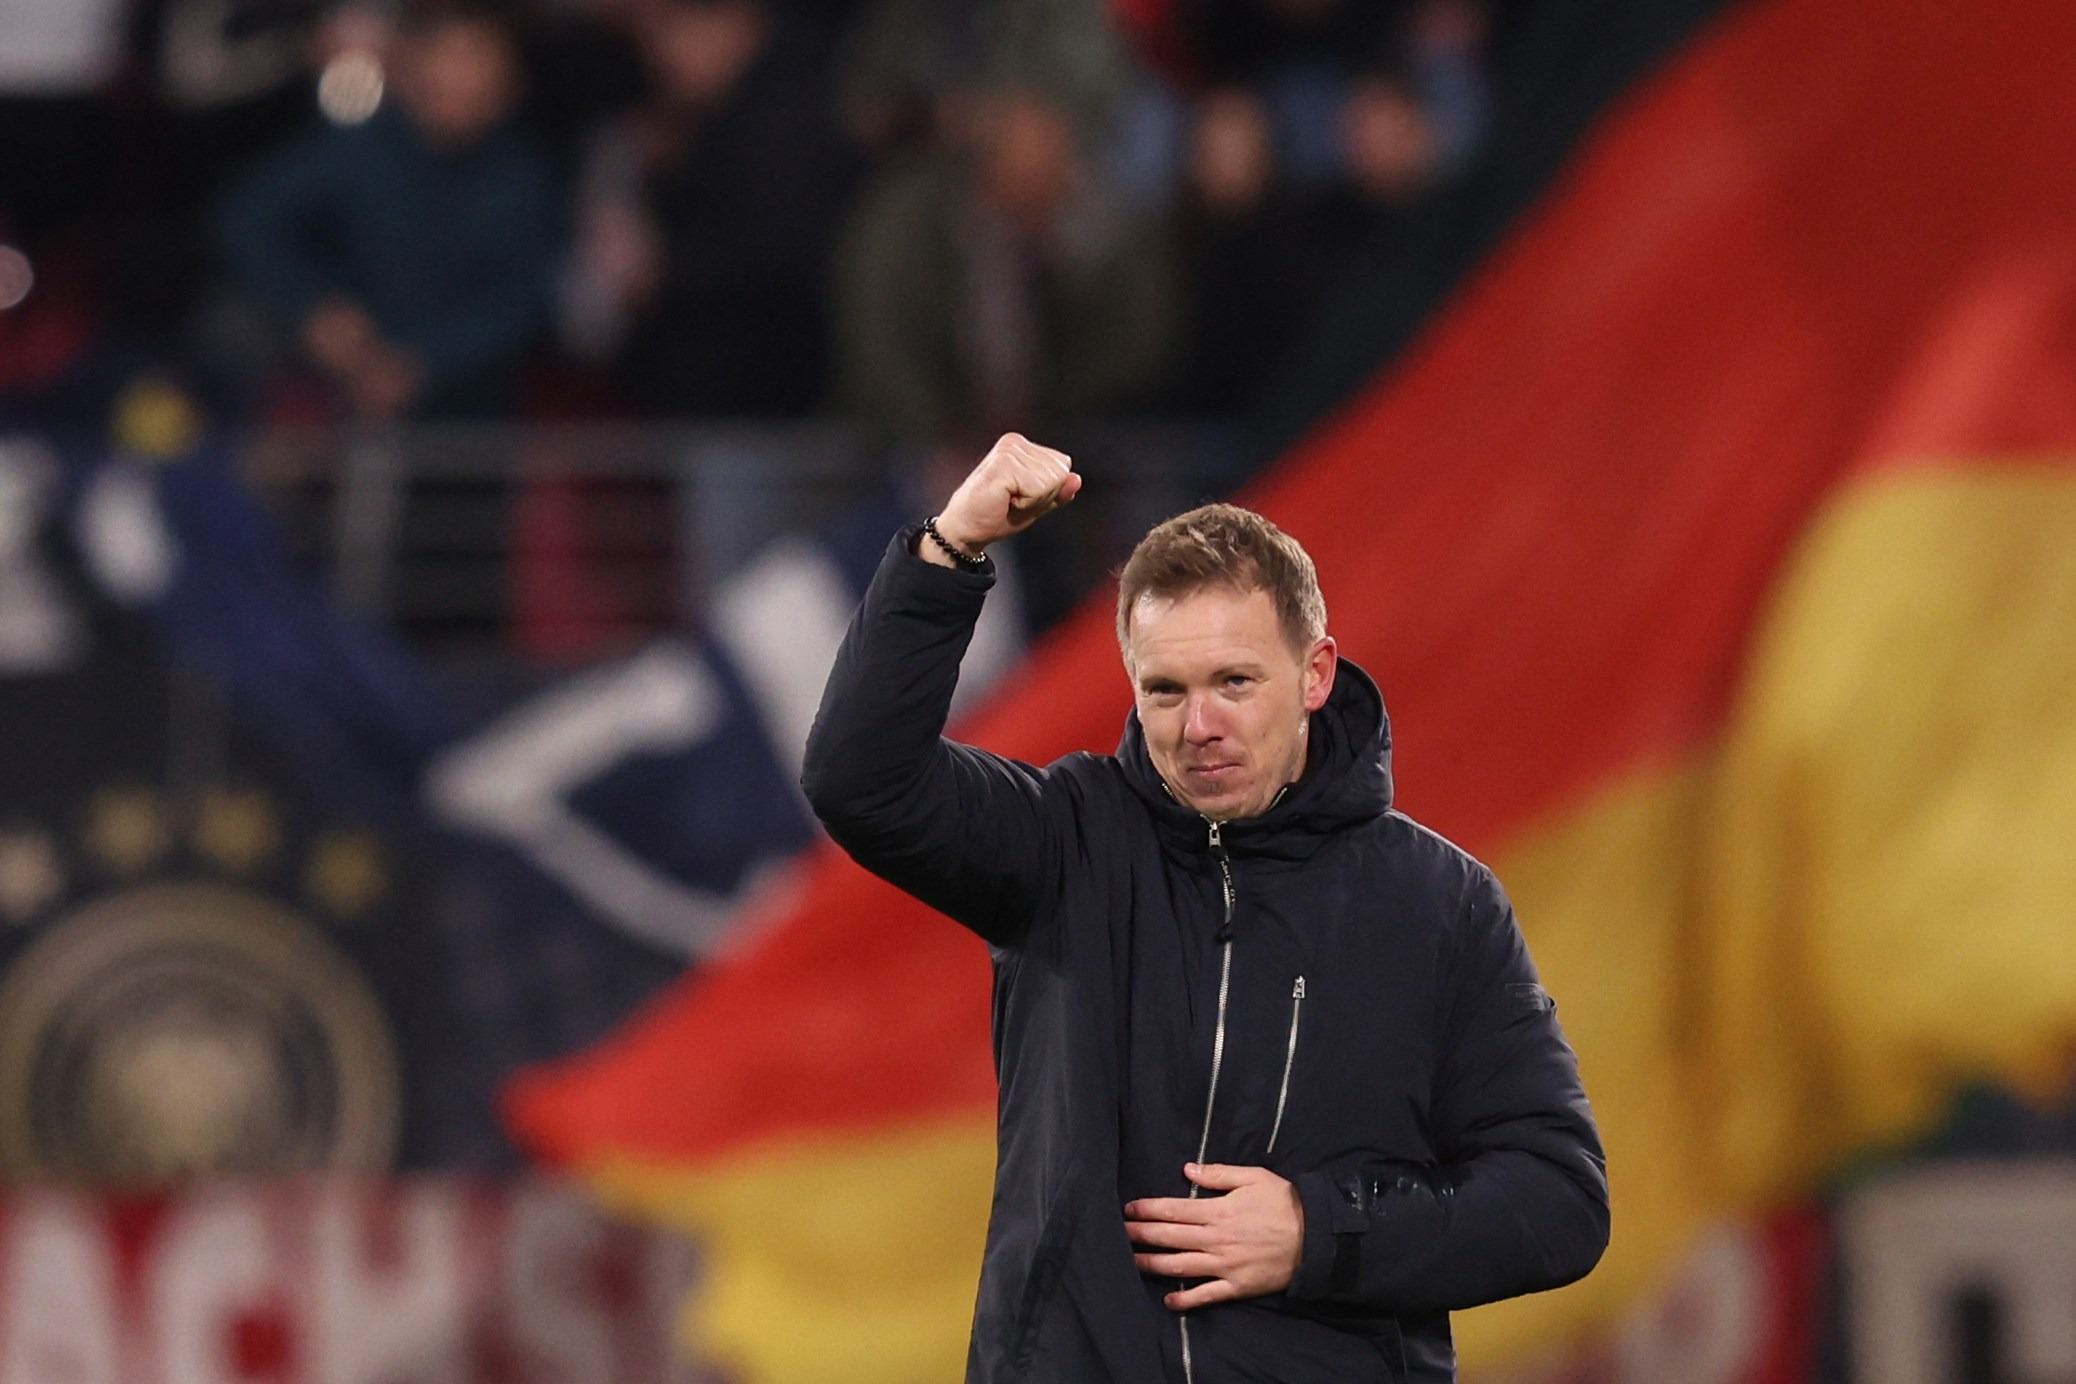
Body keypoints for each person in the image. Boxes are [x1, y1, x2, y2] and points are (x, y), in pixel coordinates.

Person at [801, 435, 1608, 1382]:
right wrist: (950, 547)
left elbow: (1557, 1202)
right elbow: (861, 780)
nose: (1199, 727)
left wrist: (1316, 1231)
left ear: (1315, 675)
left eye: (1234, 682)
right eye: (1165, 690)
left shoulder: (1440, 903)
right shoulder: (1064, 842)